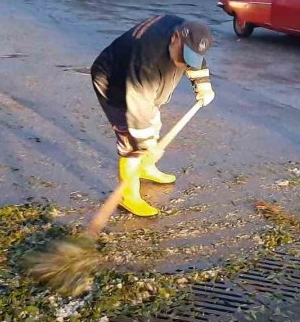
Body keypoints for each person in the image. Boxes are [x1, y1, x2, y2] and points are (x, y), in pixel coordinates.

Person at [91, 15, 215, 217]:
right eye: (183, 57)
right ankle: (127, 195)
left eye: (189, 59)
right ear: (175, 37)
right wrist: (146, 144)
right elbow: (138, 105)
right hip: (115, 82)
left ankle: (146, 168)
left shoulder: (189, 36)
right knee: (132, 143)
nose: (184, 64)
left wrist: (203, 86)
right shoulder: (147, 55)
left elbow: (195, 60)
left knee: (153, 123)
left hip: (146, 88)